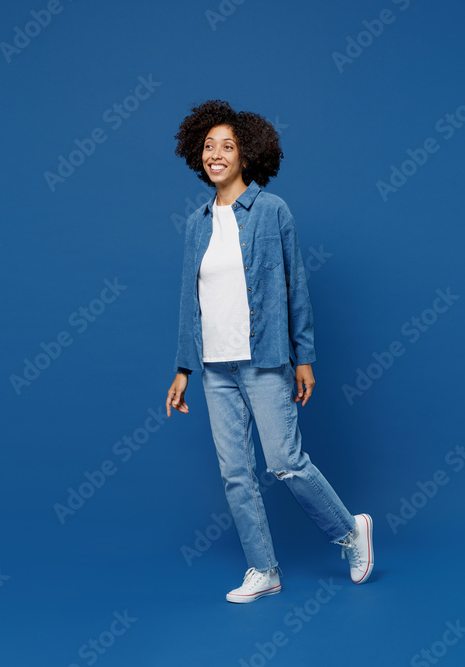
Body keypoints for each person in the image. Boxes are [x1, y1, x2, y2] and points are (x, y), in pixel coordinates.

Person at [165, 99, 374, 603]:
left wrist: (304, 357)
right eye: (209, 146)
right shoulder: (196, 223)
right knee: (235, 473)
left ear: (246, 155)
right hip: (215, 367)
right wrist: (182, 367)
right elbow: (189, 298)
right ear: (199, 154)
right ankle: (264, 569)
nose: (216, 154)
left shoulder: (272, 210)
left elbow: (294, 284)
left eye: (228, 146)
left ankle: (350, 532)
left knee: (285, 460)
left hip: (264, 360)